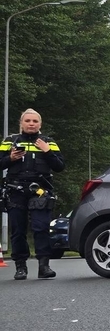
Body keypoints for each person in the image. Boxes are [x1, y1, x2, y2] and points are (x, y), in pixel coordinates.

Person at [0, 109, 65, 279]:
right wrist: (10, 159)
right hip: (16, 190)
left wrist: (47, 151)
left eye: (35, 121)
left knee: (41, 228)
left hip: (40, 191)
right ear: (21, 123)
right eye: (27, 120)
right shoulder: (10, 141)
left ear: (40, 124)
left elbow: (59, 166)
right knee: (18, 230)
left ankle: (44, 266)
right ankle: (21, 267)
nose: (31, 124)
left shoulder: (48, 142)